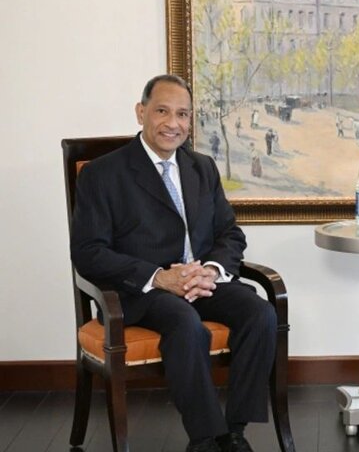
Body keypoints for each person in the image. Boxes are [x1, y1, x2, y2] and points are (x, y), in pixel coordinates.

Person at [70, 75, 277, 452]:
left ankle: (234, 431)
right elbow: (88, 252)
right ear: (141, 112)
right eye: (162, 111)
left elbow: (230, 233)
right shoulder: (102, 174)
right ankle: (205, 438)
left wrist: (210, 271)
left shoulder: (202, 167)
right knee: (184, 323)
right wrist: (159, 277)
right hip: (141, 290)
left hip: (200, 281)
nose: (173, 123)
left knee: (260, 313)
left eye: (182, 114)